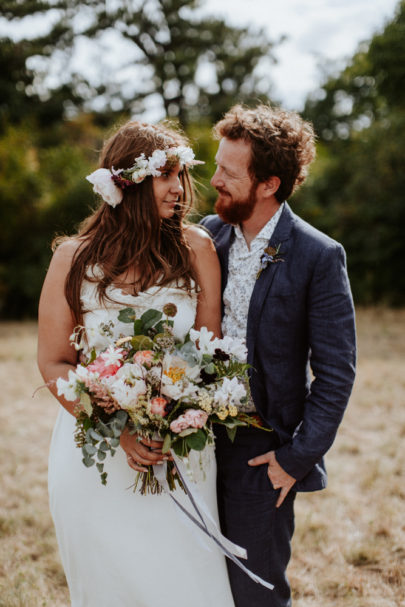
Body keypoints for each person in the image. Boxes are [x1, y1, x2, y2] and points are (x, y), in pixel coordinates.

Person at [37, 120, 235, 607]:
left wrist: (174, 417)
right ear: (128, 182)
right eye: (166, 174)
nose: (180, 188)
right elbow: (55, 361)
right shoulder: (74, 258)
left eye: (182, 173)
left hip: (179, 454)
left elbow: (211, 353)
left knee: (187, 584)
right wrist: (118, 426)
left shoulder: (197, 249)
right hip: (96, 459)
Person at [201, 104, 356, 607]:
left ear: (268, 183)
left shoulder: (318, 254)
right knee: (198, 581)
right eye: (217, 163)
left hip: (260, 450)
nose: (215, 178)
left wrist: (292, 461)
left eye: (228, 171)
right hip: (194, 441)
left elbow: (336, 373)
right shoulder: (209, 236)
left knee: (254, 591)